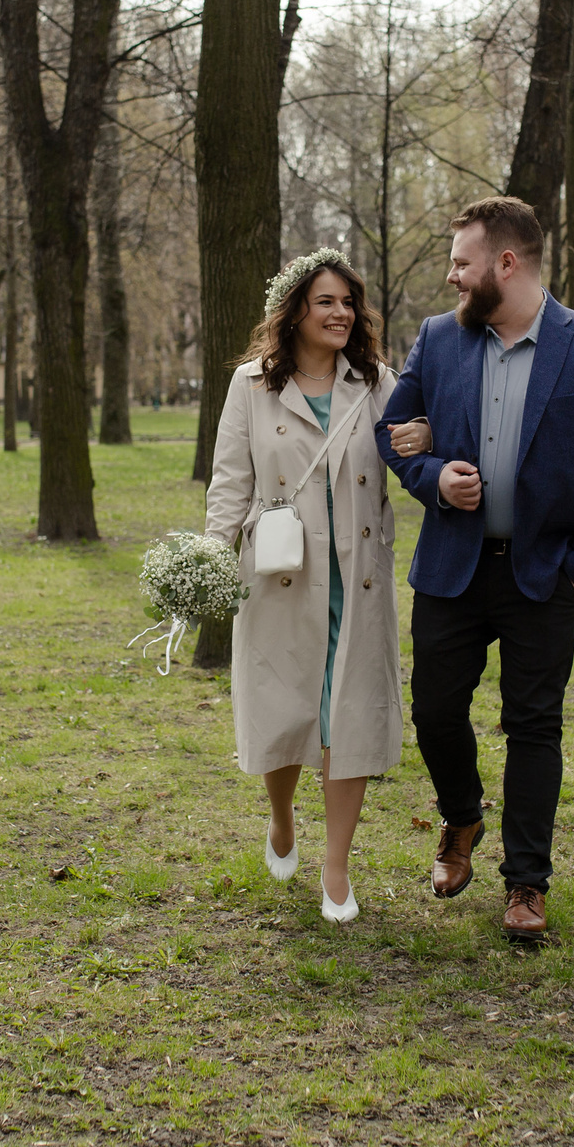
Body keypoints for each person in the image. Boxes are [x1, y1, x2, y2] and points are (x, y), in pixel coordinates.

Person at [377, 197, 574, 939]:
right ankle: (461, 815)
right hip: (450, 571)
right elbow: (388, 431)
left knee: (534, 727)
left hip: (543, 576)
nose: (452, 276)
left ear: (507, 263)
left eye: (462, 263)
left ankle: (526, 883)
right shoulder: (437, 340)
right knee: (434, 709)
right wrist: (433, 477)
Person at [205, 252, 424, 924]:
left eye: (348, 303)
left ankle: (336, 867)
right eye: (326, 301)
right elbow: (230, 485)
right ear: (295, 308)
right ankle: (280, 817)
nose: (340, 313)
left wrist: (424, 438)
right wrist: (211, 555)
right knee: (286, 708)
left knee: (346, 714)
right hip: (281, 578)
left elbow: (407, 451)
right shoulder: (251, 385)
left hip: (356, 580)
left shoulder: (378, 383)